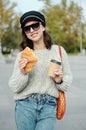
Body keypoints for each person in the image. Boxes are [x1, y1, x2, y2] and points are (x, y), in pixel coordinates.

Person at [8, 10, 72, 130]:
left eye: (35, 25)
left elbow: (67, 81)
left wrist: (59, 81)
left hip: (49, 106)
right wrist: (23, 72)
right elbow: (14, 87)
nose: (32, 30)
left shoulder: (58, 51)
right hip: (25, 106)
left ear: (43, 26)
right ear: (25, 33)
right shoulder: (22, 55)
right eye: (27, 28)